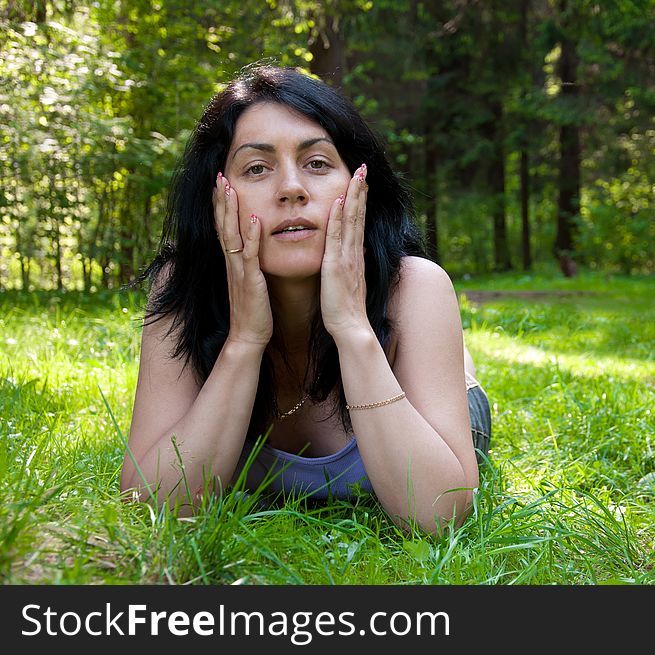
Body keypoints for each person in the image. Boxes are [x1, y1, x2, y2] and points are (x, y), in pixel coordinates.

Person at [121, 63, 491, 535]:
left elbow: (438, 517)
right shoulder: (182, 291)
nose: (292, 189)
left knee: (451, 382)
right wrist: (245, 342)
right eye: (257, 168)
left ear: (359, 185)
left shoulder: (414, 287)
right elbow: (148, 507)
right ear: (217, 195)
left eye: (317, 163)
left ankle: (455, 362)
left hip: (442, 402)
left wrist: (354, 329)